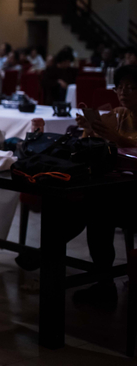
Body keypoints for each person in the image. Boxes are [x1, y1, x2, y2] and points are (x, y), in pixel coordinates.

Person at [64, 64, 137, 306]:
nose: (124, 92)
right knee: (91, 203)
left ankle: (49, 251)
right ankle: (104, 283)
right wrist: (89, 130)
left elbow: (127, 144)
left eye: (131, 87)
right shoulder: (117, 114)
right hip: (117, 187)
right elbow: (98, 150)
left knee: (94, 207)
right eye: (120, 87)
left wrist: (118, 138)